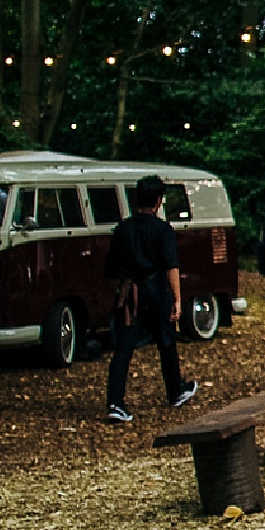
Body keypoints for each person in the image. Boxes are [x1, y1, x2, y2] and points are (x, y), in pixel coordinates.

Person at [104, 174, 198, 423]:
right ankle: (175, 390)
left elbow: (110, 268)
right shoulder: (162, 230)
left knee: (123, 348)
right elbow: (171, 266)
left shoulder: (123, 229)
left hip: (130, 292)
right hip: (155, 290)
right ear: (158, 201)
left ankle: (115, 401)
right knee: (166, 341)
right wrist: (177, 299)